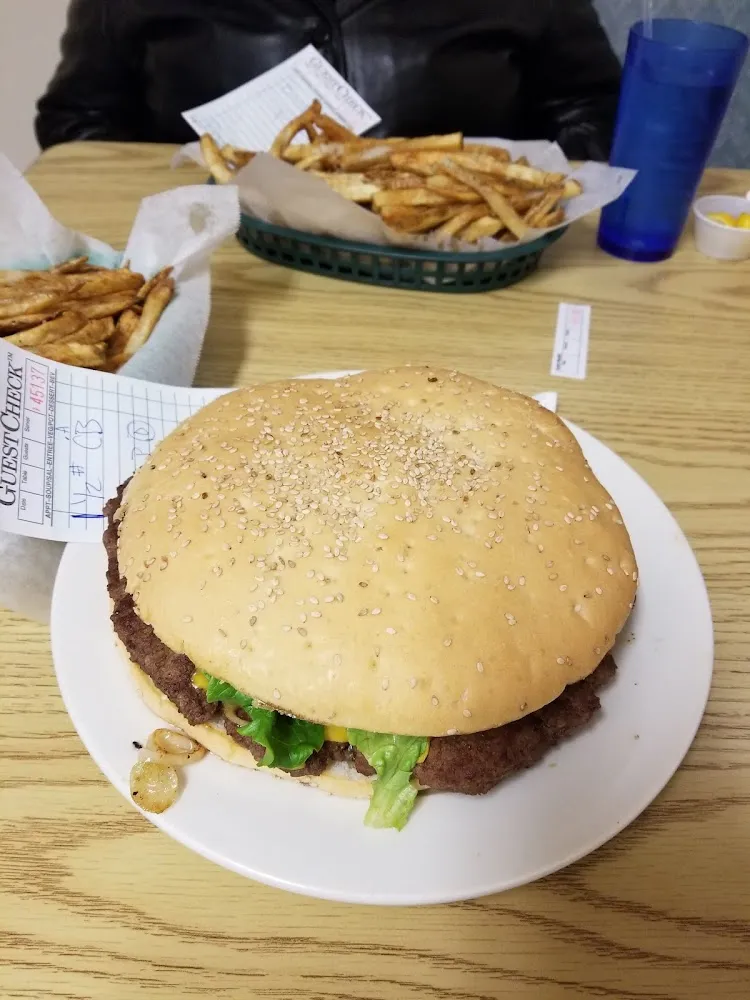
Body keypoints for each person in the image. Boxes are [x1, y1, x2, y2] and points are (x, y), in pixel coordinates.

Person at [36, 0, 621, 161]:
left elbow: (591, 106)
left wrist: (523, 202)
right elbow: (79, 120)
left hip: (470, 278)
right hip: (222, 275)